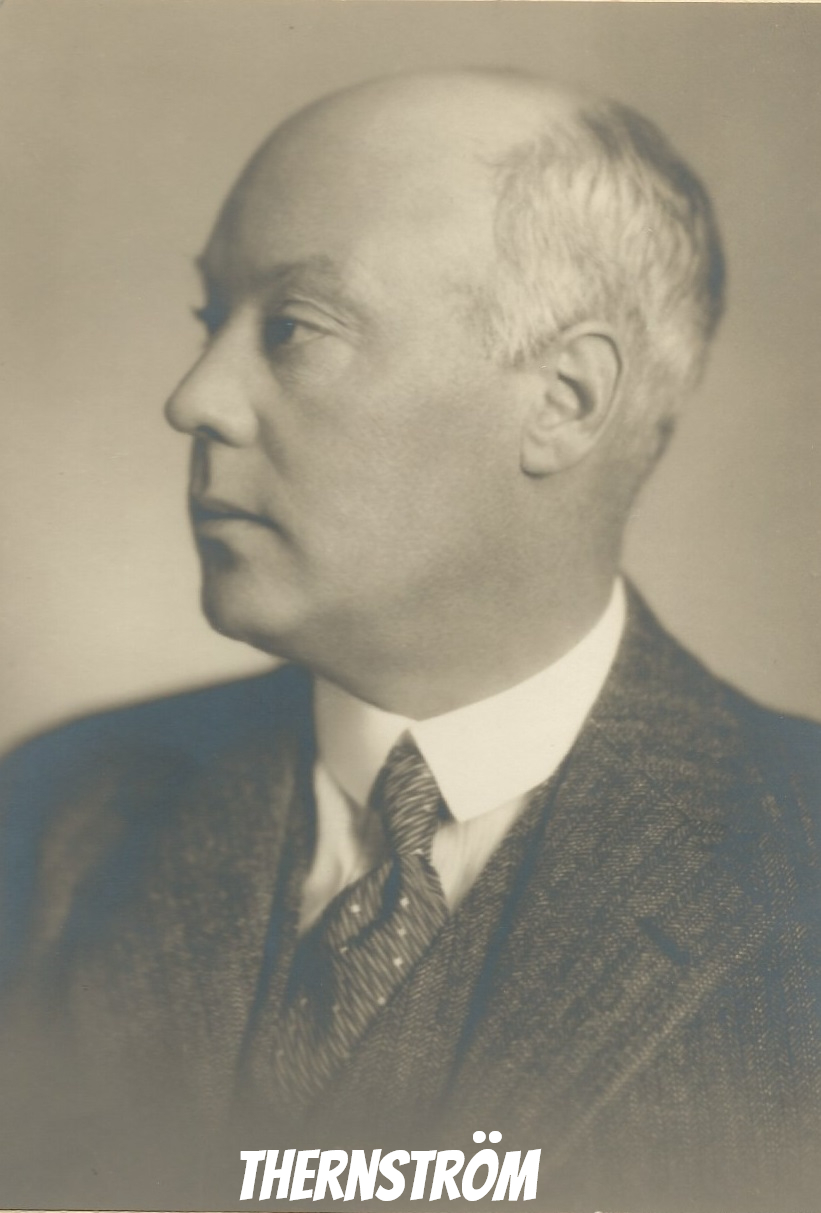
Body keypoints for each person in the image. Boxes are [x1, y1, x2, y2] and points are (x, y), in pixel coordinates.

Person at [1, 69, 819, 1213]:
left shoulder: (793, 868)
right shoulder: (54, 816)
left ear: (564, 400)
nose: (194, 398)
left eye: (293, 327)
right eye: (211, 321)